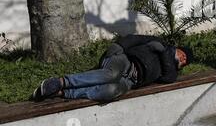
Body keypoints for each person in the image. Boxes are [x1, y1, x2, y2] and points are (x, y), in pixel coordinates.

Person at [32, 35, 194, 102]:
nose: (183, 59)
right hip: (125, 61)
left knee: (111, 90)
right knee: (111, 75)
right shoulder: (158, 42)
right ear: (177, 48)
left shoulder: (170, 71)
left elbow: (168, 78)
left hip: (131, 81)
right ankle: (61, 82)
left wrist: (166, 53)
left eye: (185, 61)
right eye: (183, 54)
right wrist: (116, 47)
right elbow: (133, 39)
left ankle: (62, 93)